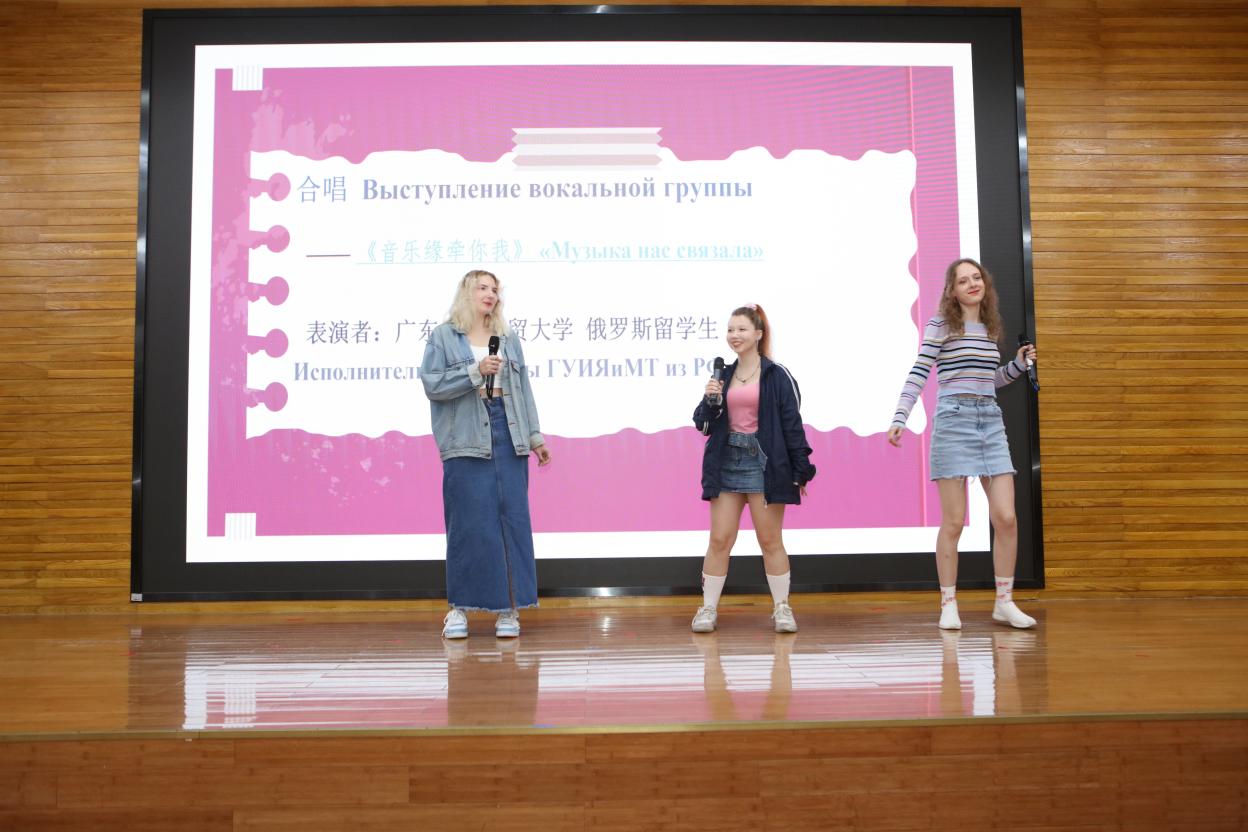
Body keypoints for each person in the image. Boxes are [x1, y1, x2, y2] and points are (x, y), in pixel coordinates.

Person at [888, 258, 1037, 630]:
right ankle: (949, 603)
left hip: (990, 421)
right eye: (963, 280)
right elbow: (920, 370)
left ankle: (1004, 602)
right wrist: (900, 416)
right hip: (954, 421)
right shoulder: (941, 324)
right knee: (954, 521)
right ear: (952, 291)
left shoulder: (989, 327)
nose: (972, 284)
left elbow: (989, 379)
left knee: (1006, 517)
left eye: (976, 277)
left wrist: (1017, 366)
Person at [420, 269, 551, 639]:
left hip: (509, 430)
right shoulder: (444, 337)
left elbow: (523, 388)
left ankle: (508, 610)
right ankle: (458, 609)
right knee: (467, 524)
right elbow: (433, 385)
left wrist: (535, 436)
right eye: (482, 287)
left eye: (495, 289)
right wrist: (475, 371)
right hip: (465, 436)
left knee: (512, 521)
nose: (490, 294)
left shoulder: (507, 338)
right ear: (466, 292)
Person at [690, 304, 816, 634]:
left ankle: (782, 607)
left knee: (770, 540)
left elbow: (792, 424)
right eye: (731, 329)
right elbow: (703, 425)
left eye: (742, 329)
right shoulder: (723, 376)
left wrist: (801, 469)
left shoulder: (777, 375)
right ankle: (707, 608)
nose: (735, 335)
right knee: (720, 539)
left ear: (758, 334)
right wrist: (709, 400)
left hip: (764, 463)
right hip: (727, 461)